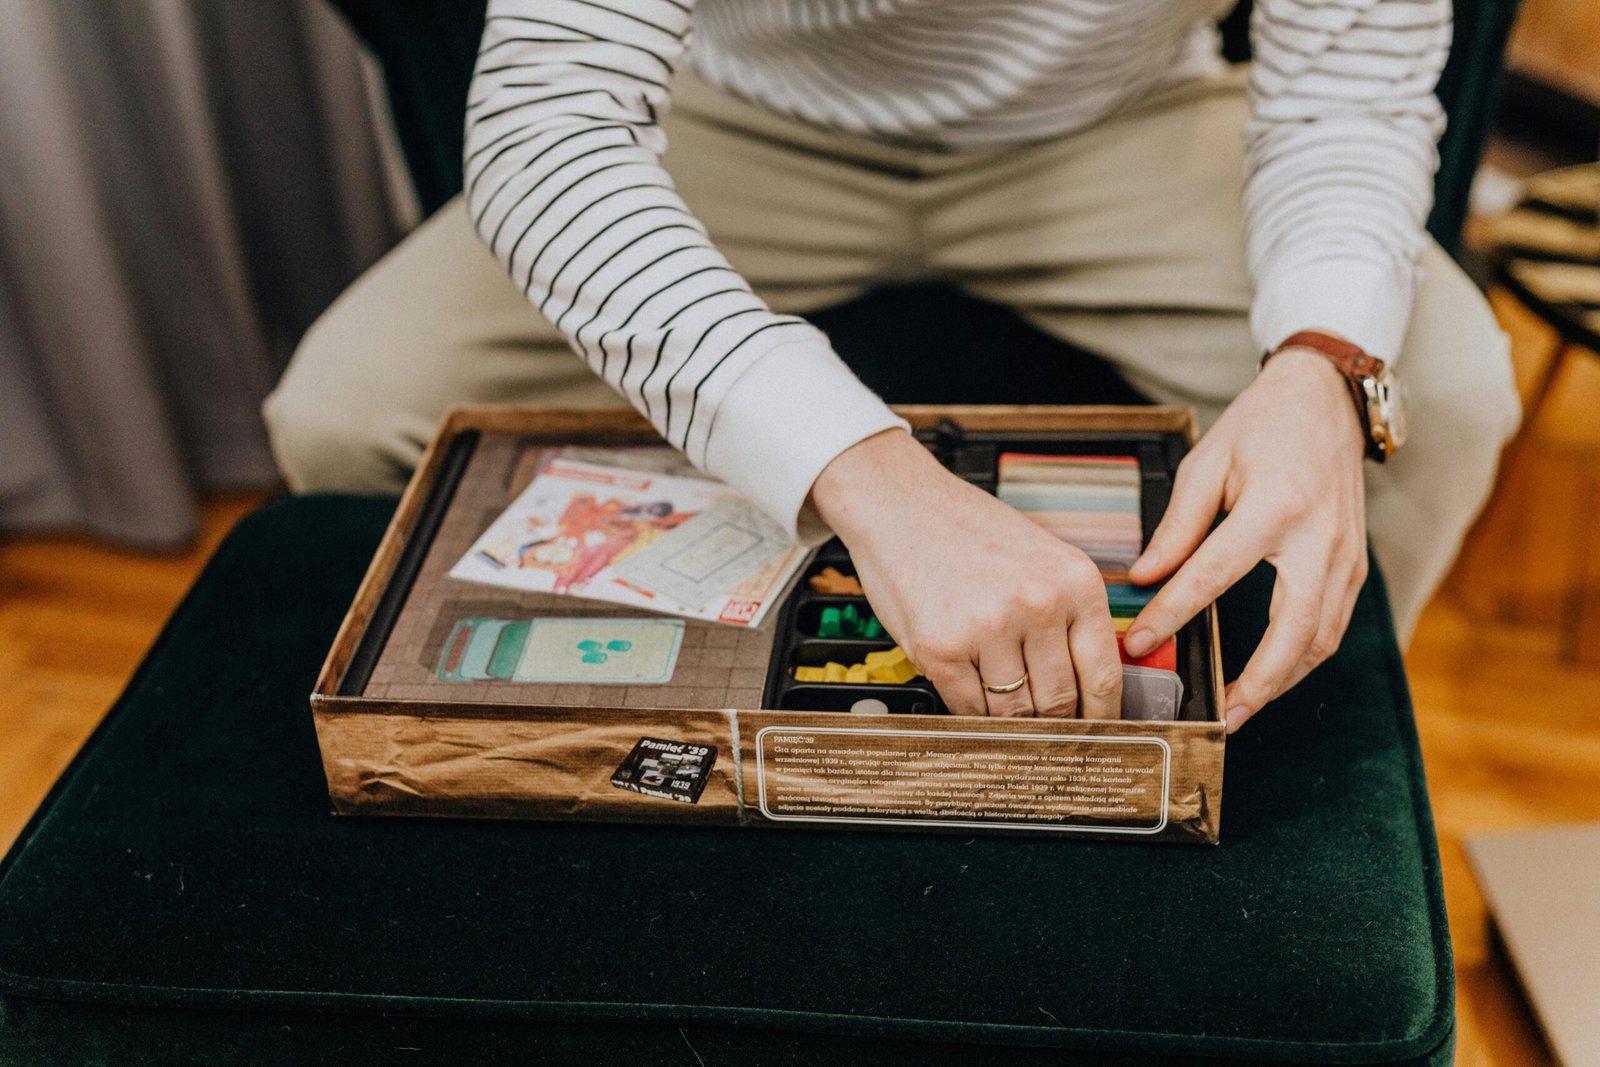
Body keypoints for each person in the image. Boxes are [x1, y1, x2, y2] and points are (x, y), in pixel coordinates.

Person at [264, 0, 1519, 730]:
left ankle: (1311, 753)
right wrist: (865, 473)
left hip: (1118, 125)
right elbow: (549, 125)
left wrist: (1322, 356)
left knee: (1448, 392)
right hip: (740, 118)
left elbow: (1348, 92)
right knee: (350, 405)